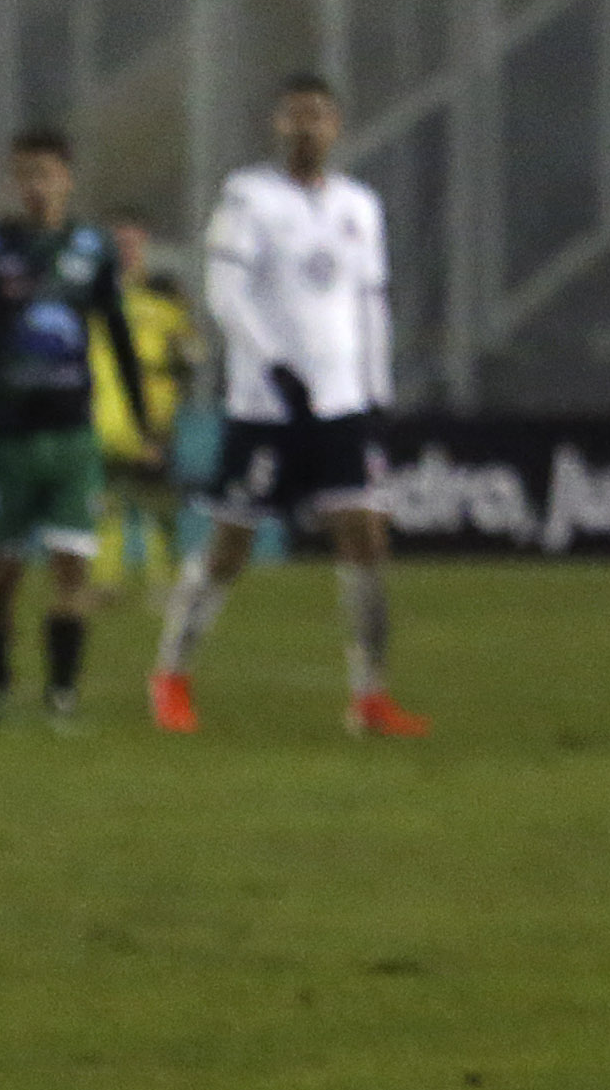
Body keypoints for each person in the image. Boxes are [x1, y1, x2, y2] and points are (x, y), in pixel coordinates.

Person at [149, 75, 429, 738]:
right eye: (297, 115)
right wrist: (275, 365)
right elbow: (225, 294)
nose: (308, 128)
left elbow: (370, 302)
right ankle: (171, 675)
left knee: (366, 539)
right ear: (278, 124)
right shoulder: (249, 197)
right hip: (267, 409)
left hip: (341, 405)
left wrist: (376, 389)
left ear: (336, 127)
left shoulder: (361, 205)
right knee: (231, 546)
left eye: (320, 116)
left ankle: (368, 698)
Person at [0, 130, 147, 732]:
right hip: (6, 436)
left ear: (67, 180)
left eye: (46, 175)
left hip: (73, 434)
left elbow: (118, 336)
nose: (35, 187)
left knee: (72, 568)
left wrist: (142, 419)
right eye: (24, 176)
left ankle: (61, 698)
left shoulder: (91, 248)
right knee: (4, 576)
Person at [90, 212, 198, 596]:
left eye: (133, 244)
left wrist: (176, 376)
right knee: (106, 501)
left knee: (157, 500)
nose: (127, 252)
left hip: (154, 414)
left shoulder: (163, 295)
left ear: (145, 246)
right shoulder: (96, 294)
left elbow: (190, 353)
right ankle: (106, 581)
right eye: (120, 245)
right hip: (105, 413)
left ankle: (163, 580)